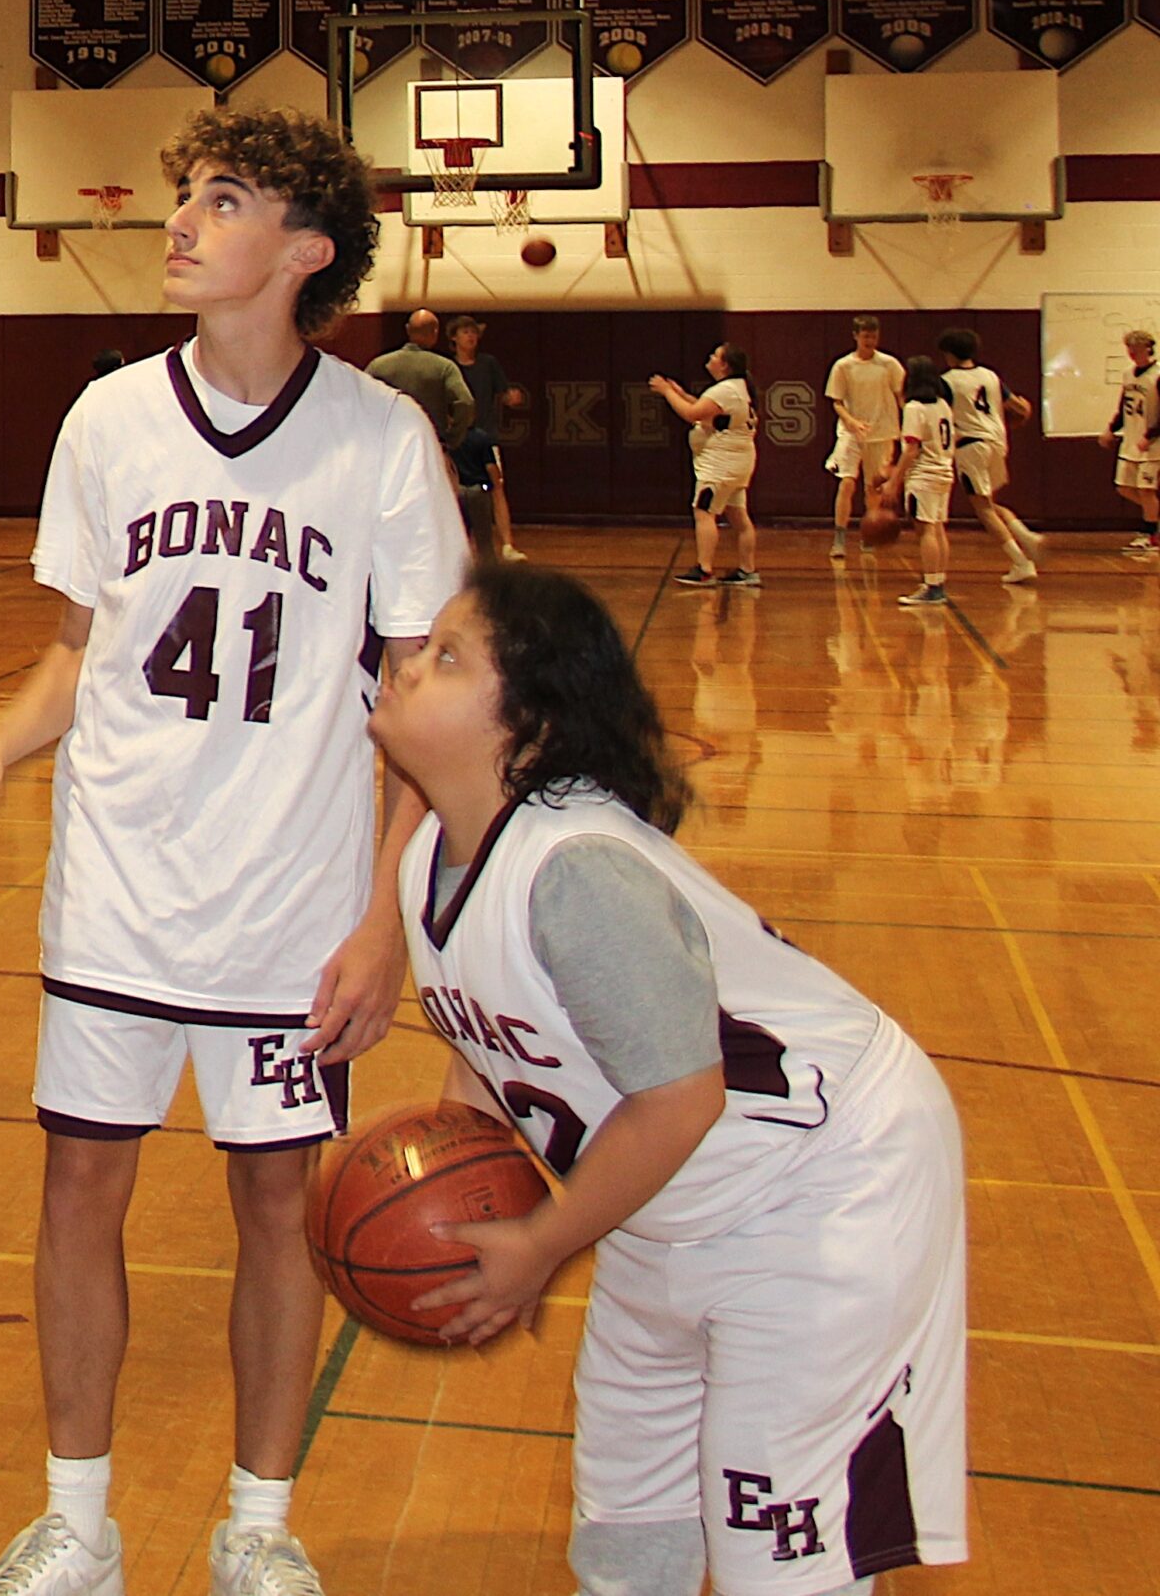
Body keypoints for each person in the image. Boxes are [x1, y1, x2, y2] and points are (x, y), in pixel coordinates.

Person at [0, 107, 464, 1596]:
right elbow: (79, 650)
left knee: (279, 1204)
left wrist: (385, 921)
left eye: (224, 200)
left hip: (291, 908)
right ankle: (78, 1520)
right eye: (186, 194)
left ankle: (258, 1524)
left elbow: (428, 709)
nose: (183, 219)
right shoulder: (109, 419)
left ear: (303, 252)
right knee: (79, 1188)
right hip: (118, 891)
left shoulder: (383, 441)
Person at [370, 563, 967, 1596]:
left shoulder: (574, 874)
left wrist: (539, 1244)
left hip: (823, 1188)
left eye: (448, 653)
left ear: (524, 726)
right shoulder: (431, 854)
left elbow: (680, 1097)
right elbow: (491, 1041)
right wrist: (458, 1194)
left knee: (774, 1546)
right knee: (626, 1525)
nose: (408, 660)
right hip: (662, 1203)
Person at [933, 327, 1046, 585]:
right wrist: (1021, 413)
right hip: (998, 441)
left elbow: (941, 416)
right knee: (989, 503)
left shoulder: (947, 381)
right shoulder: (990, 376)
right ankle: (1026, 537)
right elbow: (1020, 408)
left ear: (948, 354)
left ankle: (1021, 561)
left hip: (971, 444)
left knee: (982, 509)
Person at [652, 344, 760, 589]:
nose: (710, 357)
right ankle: (747, 570)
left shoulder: (725, 390)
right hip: (739, 462)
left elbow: (692, 414)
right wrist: (682, 393)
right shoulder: (740, 388)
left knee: (704, 512)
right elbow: (708, 412)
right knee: (738, 516)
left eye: (715, 355)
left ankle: (704, 570)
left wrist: (667, 392)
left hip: (720, 464)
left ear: (724, 364)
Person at [446, 313, 525, 561]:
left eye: (473, 332)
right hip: (458, 439)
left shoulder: (488, 364)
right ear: (454, 338)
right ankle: (458, 546)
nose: (471, 336)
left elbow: (503, 393)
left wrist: (511, 398)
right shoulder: (448, 367)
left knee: (496, 487)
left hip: (486, 436)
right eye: (465, 332)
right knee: (454, 491)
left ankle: (507, 544)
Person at [823, 317, 902, 559]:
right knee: (846, 482)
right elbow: (836, 401)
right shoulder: (843, 366)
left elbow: (901, 396)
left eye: (874, 337)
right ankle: (839, 537)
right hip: (851, 432)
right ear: (856, 336)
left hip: (882, 432)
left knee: (873, 487)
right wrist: (851, 421)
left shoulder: (889, 365)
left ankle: (870, 533)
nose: (870, 341)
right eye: (866, 336)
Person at [882, 356, 956, 609]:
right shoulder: (943, 405)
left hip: (923, 475)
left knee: (926, 530)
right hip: (944, 471)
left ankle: (932, 586)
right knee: (937, 528)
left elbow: (911, 449)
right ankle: (938, 582)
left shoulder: (914, 408)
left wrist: (894, 480)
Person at [366, 306, 474, 457]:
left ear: (407, 329)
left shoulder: (378, 365)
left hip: (389, 448)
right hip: (430, 448)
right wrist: (451, 439)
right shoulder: (444, 367)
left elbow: (362, 403)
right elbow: (465, 403)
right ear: (435, 333)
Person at [1102, 327, 1158, 557]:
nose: (1131, 353)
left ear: (1148, 348)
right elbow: (1123, 407)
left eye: (1135, 349)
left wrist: (1150, 435)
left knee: (1146, 490)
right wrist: (1111, 428)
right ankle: (1153, 518)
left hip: (1153, 444)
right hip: (1131, 441)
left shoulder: (1157, 375)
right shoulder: (1128, 374)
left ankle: (1150, 536)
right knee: (1124, 487)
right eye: (1129, 349)